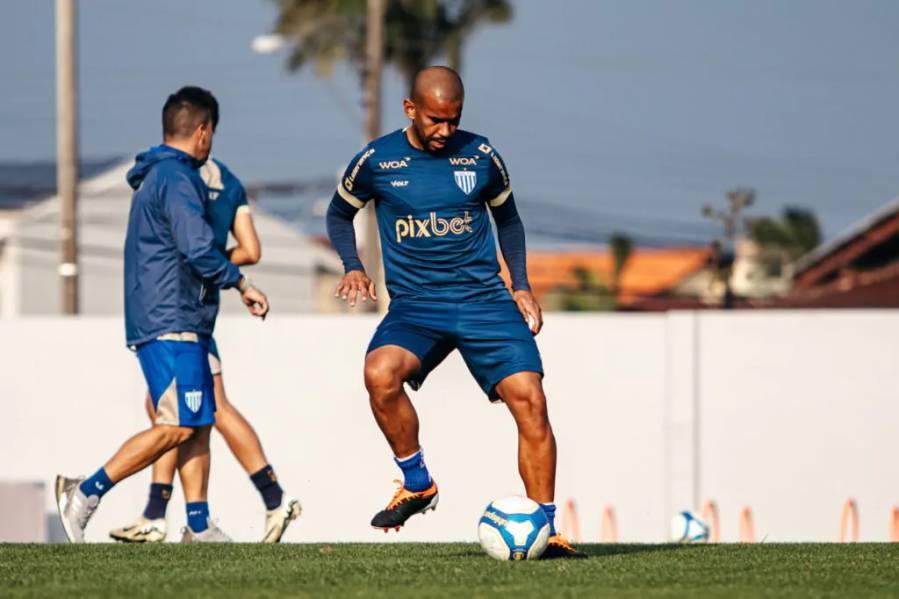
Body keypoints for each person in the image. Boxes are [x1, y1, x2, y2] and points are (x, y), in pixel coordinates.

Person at [326, 66, 584, 558]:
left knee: (530, 399)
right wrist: (352, 265)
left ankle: (545, 528)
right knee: (379, 374)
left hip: (485, 301)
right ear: (410, 110)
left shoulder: (482, 155)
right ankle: (418, 483)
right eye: (435, 120)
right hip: (417, 306)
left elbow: (508, 220)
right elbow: (340, 213)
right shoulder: (377, 160)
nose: (445, 131)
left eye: (454, 119)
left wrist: (522, 286)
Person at [55, 86, 269, 543]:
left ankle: (197, 523)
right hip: (171, 317)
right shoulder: (177, 178)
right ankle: (83, 492)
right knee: (175, 425)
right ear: (203, 131)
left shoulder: (160, 175)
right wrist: (243, 284)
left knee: (196, 421)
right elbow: (197, 248)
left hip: (175, 316)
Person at [109, 156, 300, 544]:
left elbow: (193, 247)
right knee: (169, 407)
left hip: (180, 310)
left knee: (203, 409)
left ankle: (270, 499)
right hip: (195, 310)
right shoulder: (228, 180)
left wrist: (205, 264)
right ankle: (161, 513)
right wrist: (218, 264)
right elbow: (251, 248)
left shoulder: (178, 177)